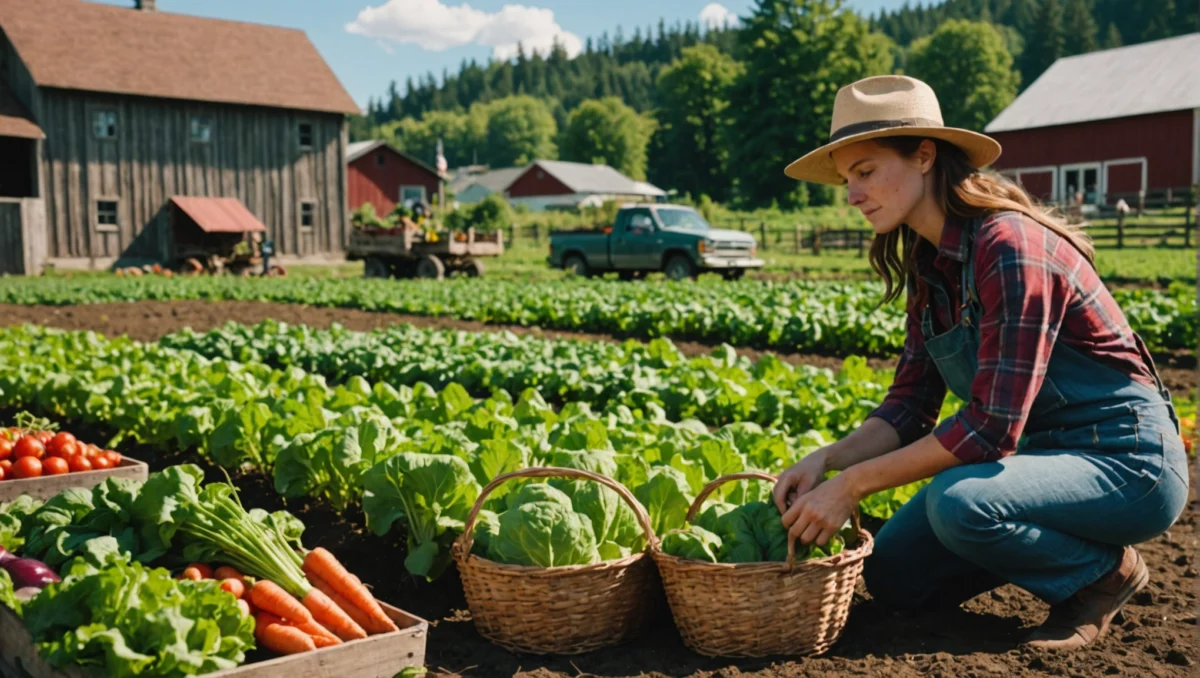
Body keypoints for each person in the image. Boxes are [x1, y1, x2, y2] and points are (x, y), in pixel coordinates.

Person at [773, 75, 1188, 652]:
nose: (852, 194)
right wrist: (827, 459)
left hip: (1127, 464)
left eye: (865, 171)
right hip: (1039, 464)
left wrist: (853, 486)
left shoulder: (1009, 248)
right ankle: (1030, 548)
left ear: (923, 155)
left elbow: (991, 428)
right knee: (890, 573)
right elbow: (909, 406)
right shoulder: (930, 267)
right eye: (847, 179)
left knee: (961, 503)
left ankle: (1099, 576)